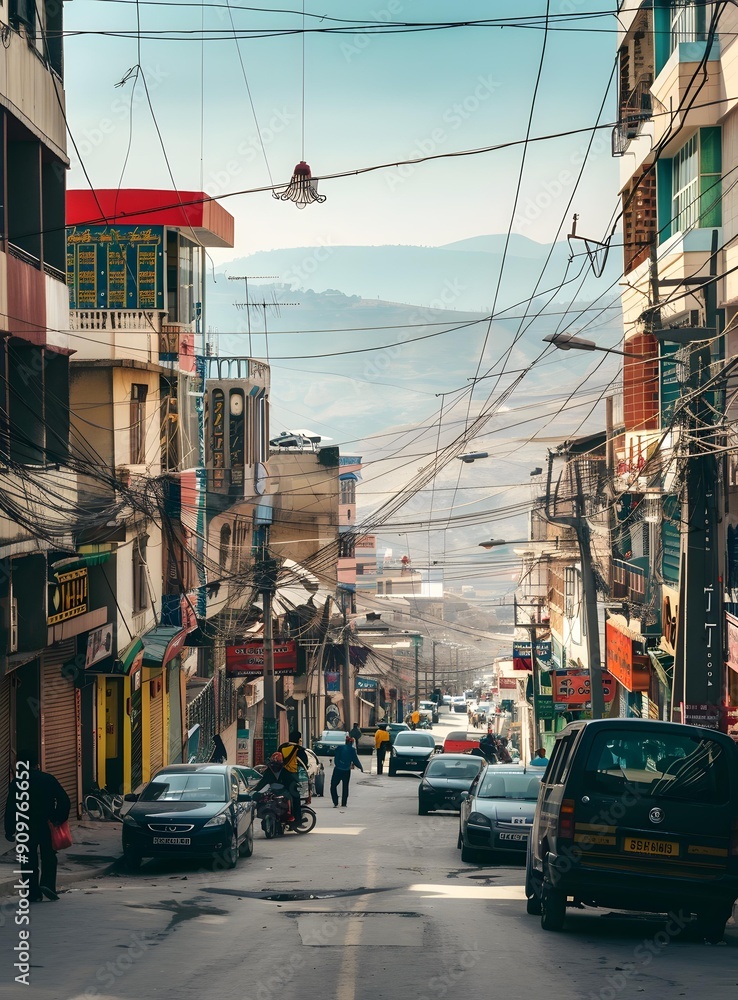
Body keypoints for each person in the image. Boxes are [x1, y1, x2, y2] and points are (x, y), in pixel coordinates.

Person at [4, 752, 70, 902]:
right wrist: (57, 818)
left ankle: (32, 892)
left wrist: (9, 830)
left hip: (25, 827)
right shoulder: (48, 779)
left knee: (27, 859)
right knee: (49, 856)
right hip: (47, 825)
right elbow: (64, 800)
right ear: (36, 764)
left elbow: (11, 808)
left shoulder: (17, 783)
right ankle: (47, 885)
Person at [253, 752, 302, 825]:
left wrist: (254, 789)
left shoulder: (269, 770)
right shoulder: (283, 770)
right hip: (282, 791)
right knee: (295, 798)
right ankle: (296, 820)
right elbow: (291, 780)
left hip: (273, 791)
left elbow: (262, 782)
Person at [277, 730, 310, 823]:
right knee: (295, 797)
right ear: (299, 739)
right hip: (292, 777)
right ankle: (297, 819)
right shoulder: (299, 749)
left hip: (280, 777)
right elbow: (305, 764)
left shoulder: (281, 747)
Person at [330, 735, 364, 808]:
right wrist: (360, 767)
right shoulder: (352, 750)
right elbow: (355, 760)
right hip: (346, 770)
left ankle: (335, 802)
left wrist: (338, 764)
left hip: (338, 769)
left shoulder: (340, 748)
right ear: (351, 743)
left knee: (333, 785)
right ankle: (344, 803)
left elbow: (336, 757)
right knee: (345, 786)